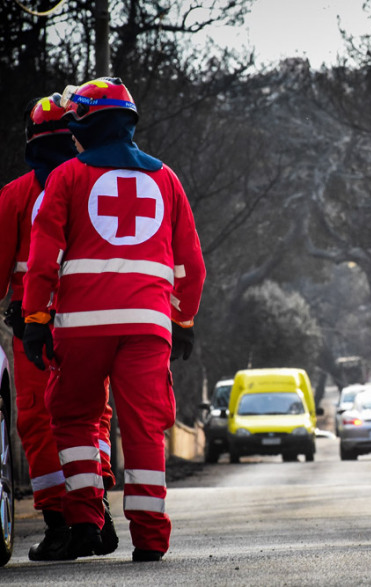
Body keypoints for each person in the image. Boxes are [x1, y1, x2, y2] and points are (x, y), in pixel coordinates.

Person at [21, 77, 206, 561]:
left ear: (83, 126)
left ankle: (84, 522)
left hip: (81, 326)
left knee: (75, 417)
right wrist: (183, 320)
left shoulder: (67, 177)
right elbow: (191, 264)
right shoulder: (166, 178)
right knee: (144, 426)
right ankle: (149, 539)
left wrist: (36, 317)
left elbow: (44, 257)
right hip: (147, 325)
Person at [0, 93, 119, 560]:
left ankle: (58, 525)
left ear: (29, 139)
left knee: (38, 419)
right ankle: (95, 510)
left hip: (34, 326)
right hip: (87, 320)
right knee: (92, 415)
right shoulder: (97, 184)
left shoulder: (15, 195)